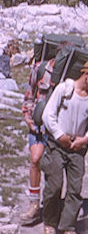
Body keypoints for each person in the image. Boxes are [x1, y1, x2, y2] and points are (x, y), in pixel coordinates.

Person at [41, 58, 88, 234]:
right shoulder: (64, 89)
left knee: (75, 189)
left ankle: (67, 227)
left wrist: (85, 139)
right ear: (86, 74)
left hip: (77, 148)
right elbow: (48, 115)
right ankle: (50, 225)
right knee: (54, 185)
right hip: (56, 145)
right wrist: (59, 135)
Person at [20, 58, 56, 225]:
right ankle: (34, 204)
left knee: (53, 168)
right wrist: (28, 117)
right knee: (35, 160)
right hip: (38, 126)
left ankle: (50, 207)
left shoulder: (70, 76)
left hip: (57, 129)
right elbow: (30, 93)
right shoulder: (40, 69)